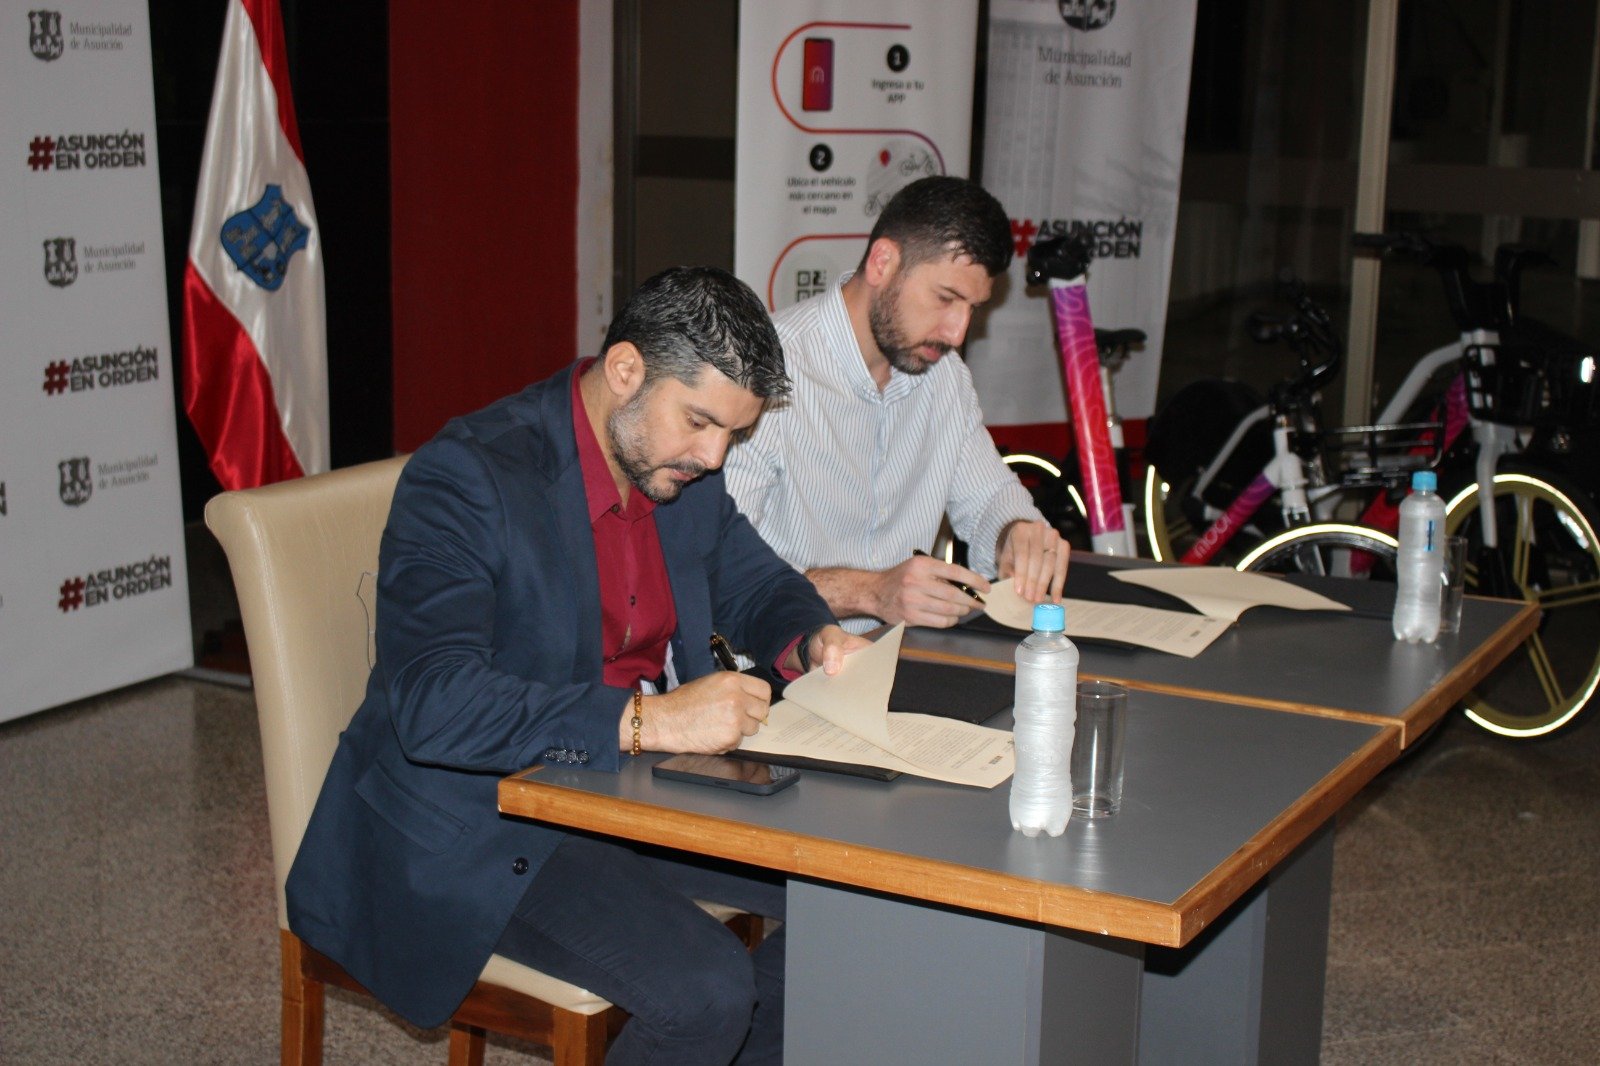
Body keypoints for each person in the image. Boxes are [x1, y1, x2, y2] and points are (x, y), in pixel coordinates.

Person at [285, 266, 864, 1065]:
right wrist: (648, 720)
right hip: (482, 818)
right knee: (708, 992)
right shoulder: (470, 476)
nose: (713, 455)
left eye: (734, 434)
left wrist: (811, 639)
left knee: (862, 907)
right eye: (700, 422)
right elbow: (434, 703)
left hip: (626, 788)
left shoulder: (682, 473)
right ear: (625, 370)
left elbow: (755, 583)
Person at [725, 176, 1070, 632]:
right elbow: (722, 574)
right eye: (946, 299)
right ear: (883, 262)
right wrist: (871, 592)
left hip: (895, 663)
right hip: (776, 674)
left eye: (973, 308)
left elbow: (989, 499)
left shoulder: (943, 376)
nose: (957, 333)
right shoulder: (767, 370)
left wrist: (1016, 535)